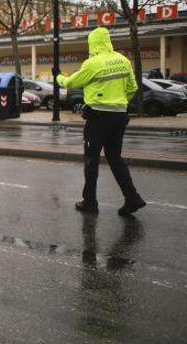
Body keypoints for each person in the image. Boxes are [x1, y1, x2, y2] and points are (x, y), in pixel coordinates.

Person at [57, 27, 146, 216]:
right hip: (120, 116)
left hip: (98, 118)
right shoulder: (123, 61)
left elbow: (71, 82)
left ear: (92, 43)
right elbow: (132, 87)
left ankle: (90, 202)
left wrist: (58, 77)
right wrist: (119, 103)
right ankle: (132, 198)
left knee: (91, 160)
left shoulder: (93, 63)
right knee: (115, 158)